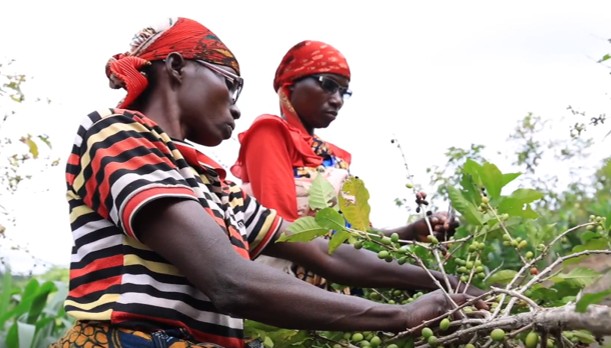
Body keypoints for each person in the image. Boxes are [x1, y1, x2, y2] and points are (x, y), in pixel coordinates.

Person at [51, 18, 485, 348]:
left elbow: (323, 253)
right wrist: (399, 317)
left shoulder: (213, 182)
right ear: (178, 67)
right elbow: (229, 280)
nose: (238, 110)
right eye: (231, 85)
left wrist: (448, 283)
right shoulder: (117, 133)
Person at [231, 40, 457, 292]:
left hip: (340, 294)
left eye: (343, 91)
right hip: (292, 294)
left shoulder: (334, 158)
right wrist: (431, 281)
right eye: (328, 85)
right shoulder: (270, 133)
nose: (337, 100)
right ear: (291, 84)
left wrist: (414, 230)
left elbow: (359, 240)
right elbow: (286, 234)